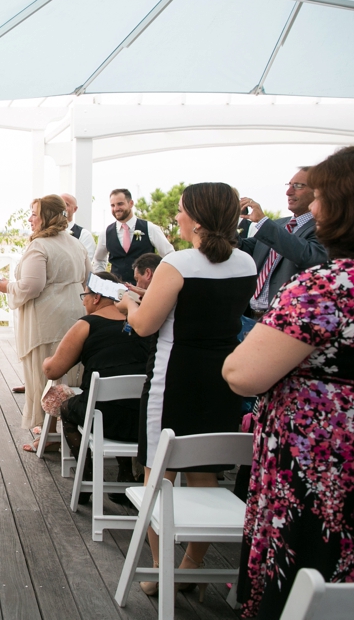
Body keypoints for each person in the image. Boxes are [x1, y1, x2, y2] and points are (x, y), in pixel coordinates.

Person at [223, 145, 354, 619]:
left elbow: (242, 374)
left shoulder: (329, 284)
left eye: (321, 194)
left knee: (307, 578)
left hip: (318, 462)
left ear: (348, 203)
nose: (315, 206)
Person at [116, 182, 256, 596]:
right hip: (223, 375)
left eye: (180, 210)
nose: (176, 217)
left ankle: (161, 570)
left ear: (196, 217)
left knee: (159, 472)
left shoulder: (177, 263)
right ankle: (192, 565)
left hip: (174, 375)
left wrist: (129, 303)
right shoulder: (246, 263)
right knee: (205, 470)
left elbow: (144, 326)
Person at [42, 272, 152, 503]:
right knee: (123, 401)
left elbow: (53, 371)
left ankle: (87, 478)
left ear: (97, 297)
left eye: (85, 295)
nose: (83, 301)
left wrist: (45, 362)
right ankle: (124, 475)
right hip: (145, 421)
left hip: (104, 420)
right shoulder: (142, 320)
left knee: (68, 409)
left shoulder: (86, 325)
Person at [0, 195, 89, 450]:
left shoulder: (40, 246)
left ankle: (49, 437)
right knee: (69, 372)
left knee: (46, 373)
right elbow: (87, 277)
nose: (30, 219)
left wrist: (5, 286)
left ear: (47, 216)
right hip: (75, 313)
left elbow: (31, 286)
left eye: (34, 214)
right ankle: (62, 429)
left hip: (48, 318)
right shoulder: (75, 243)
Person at [237, 168, 328, 318]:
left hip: (287, 318)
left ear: (319, 192)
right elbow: (245, 249)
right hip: (252, 316)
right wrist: (224, 223)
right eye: (289, 185)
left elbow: (307, 255)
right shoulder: (278, 225)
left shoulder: (322, 228)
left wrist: (263, 222)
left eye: (298, 186)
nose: (288, 192)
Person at [93, 188, 174, 284]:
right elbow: (99, 260)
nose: (116, 208)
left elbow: (169, 255)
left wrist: (159, 278)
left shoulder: (150, 228)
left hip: (144, 289)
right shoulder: (106, 233)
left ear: (131, 203)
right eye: (112, 205)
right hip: (115, 290)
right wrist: (101, 281)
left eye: (120, 204)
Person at [61, 192, 96, 267]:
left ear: (75, 209)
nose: (61, 208)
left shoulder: (84, 234)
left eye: (66, 204)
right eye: (59, 204)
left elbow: (85, 263)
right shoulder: (46, 232)